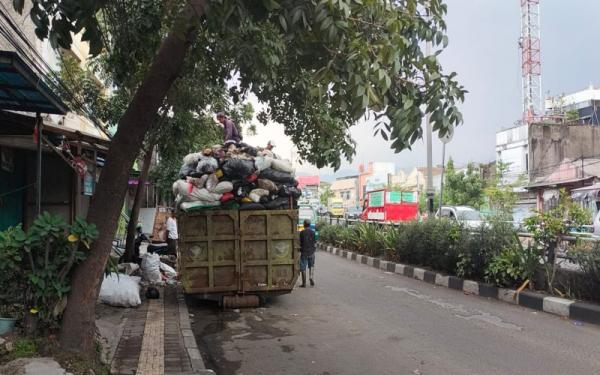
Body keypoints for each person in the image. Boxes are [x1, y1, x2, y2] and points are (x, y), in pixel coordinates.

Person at [299, 219, 316, 287]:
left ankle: (304, 283)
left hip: (304, 252)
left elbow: (300, 242)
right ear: (309, 224)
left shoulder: (302, 232)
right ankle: (311, 277)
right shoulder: (313, 232)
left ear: (304, 225)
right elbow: (314, 242)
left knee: (303, 267)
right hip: (311, 252)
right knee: (311, 265)